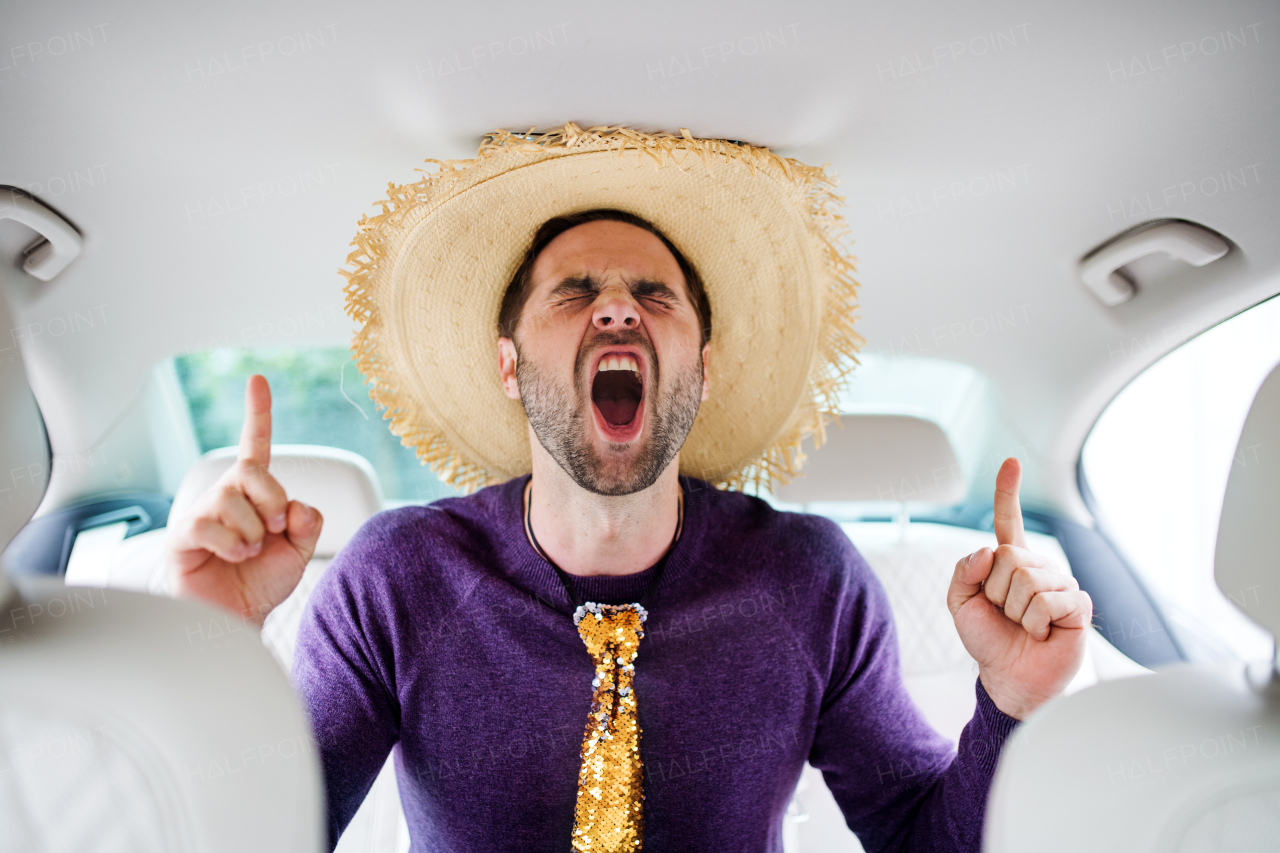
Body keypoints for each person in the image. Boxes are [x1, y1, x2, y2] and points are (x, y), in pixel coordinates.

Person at [164, 126, 1092, 853]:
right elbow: (271, 837)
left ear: (704, 364)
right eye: (574, 293)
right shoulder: (396, 580)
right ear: (510, 365)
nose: (617, 308)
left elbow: (922, 841)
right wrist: (215, 647)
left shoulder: (811, 583)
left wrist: (1011, 704)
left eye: (656, 296)